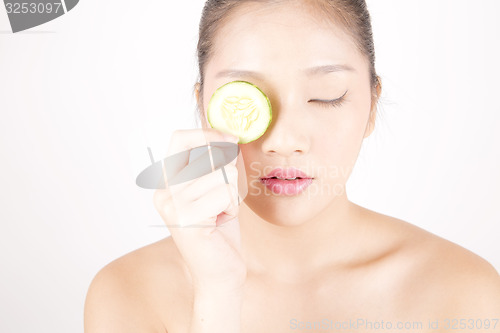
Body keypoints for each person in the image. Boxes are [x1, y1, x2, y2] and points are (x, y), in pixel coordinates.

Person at [84, 1, 500, 332]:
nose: (284, 141)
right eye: (244, 97)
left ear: (372, 105)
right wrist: (218, 295)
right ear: (203, 106)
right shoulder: (127, 294)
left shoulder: (465, 292)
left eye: (326, 96)